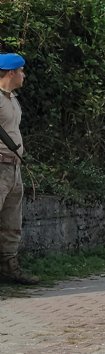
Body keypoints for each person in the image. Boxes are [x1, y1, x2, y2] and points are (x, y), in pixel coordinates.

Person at [0, 53, 38, 284]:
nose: (24, 75)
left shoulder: (12, 98)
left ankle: (8, 268)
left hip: (13, 168)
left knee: (12, 222)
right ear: (11, 72)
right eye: (22, 71)